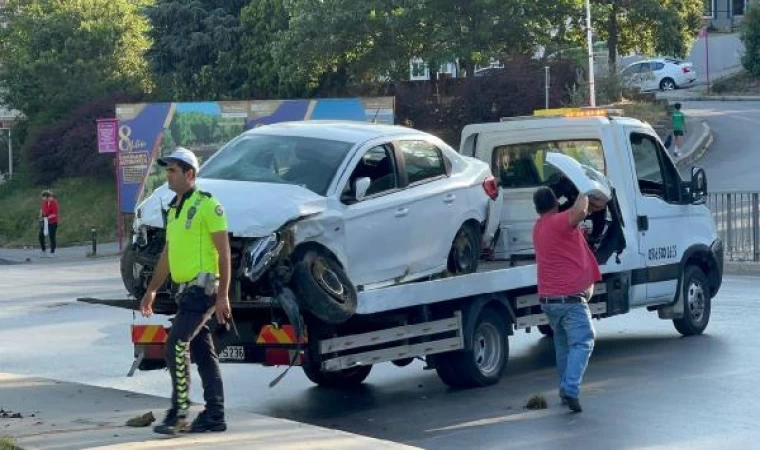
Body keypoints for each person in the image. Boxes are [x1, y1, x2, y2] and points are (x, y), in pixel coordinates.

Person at [140, 147, 232, 435]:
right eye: (166, 169)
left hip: (203, 290)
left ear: (190, 174)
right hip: (185, 292)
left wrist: (223, 295)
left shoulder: (208, 204)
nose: (167, 175)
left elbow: (224, 252)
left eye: (172, 170)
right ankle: (215, 415)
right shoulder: (174, 209)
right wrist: (152, 290)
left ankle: (179, 414)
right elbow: (168, 253)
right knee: (203, 353)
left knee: (175, 345)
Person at [532, 186, 607, 413]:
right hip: (569, 299)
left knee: (564, 345)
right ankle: (571, 389)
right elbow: (580, 212)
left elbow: (569, 231)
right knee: (584, 340)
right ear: (556, 201)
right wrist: (583, 190)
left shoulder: (539, 228)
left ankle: (565, 390)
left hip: (549, 299)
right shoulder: (559, 222)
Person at [38, 190, 59, 257]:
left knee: (52, 236)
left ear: (47, 197)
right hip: (45, 221)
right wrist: (41, 215)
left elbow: (55, 214)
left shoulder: (54, 203)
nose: (42, 199)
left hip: (53, 222)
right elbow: (42, 209)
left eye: (43, 197)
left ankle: (52, 252)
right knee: (41, 235)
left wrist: (47, 217)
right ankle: (43, 251)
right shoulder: (45, 202)